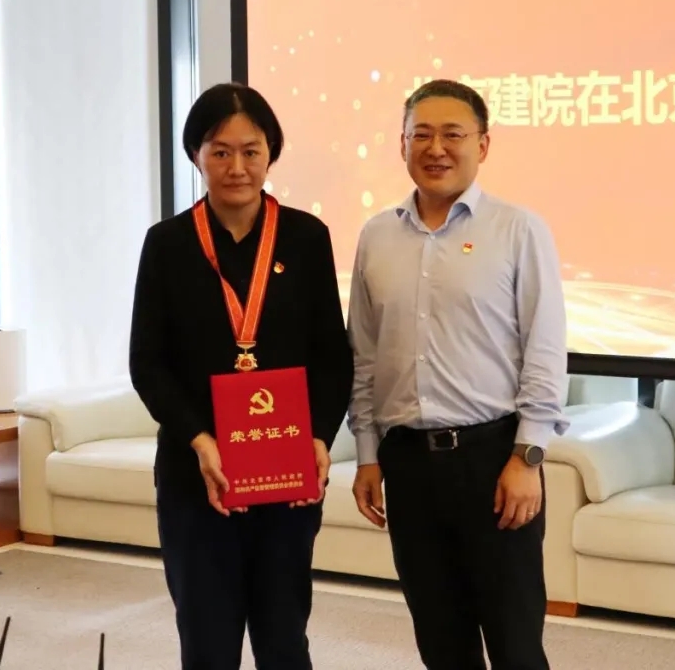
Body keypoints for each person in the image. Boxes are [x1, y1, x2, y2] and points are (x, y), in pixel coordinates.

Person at [129, 82, 353, 670]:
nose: (237, 167)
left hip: (285, 469)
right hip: (196, 473)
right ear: (196, 155)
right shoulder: (167, 244)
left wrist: (319, 437)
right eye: (220, 151)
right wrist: (200, 440)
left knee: (284, 639)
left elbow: (332, 356)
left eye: (251, 151)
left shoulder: (306, 238)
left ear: (270, 153)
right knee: (207, 642)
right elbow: (147, 363)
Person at [347, 78, 569, 670]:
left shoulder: (518, 230)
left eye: (453, 134)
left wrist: (527, 458)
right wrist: (367, 454)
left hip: (493, 461)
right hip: (407, 465)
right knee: (441, 643)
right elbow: (364, 356)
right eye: (421, 134)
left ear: (483, 144)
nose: (436, 148)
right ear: (401, 144)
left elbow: (545, 350)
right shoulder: (376, 236)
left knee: (515, 644)